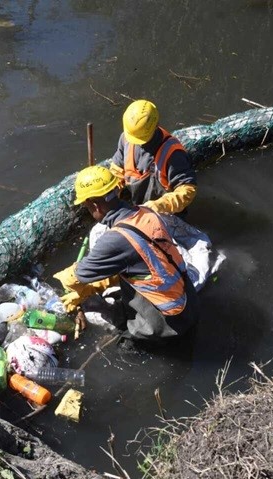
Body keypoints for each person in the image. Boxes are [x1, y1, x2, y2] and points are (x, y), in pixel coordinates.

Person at [54, 165, 199, 346]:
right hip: (188, 298)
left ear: (93, 204)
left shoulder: (115, 240)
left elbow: (77, 276)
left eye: (86, 206)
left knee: (127, 346)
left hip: (169, 322)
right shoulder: (145, 213)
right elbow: (139, 266)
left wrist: (69, 283)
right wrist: (93, 288)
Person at [109, 99, 197, 215]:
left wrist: (159, 205)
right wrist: (111, 193)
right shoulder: (127, 138)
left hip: (166, 216)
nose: (137, 142)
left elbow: (187, 190)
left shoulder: (173, 153)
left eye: (141, 138)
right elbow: (117, 169)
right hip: (139, 208)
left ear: (156, 126)